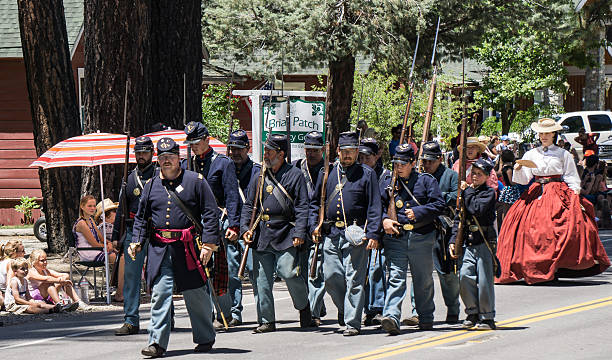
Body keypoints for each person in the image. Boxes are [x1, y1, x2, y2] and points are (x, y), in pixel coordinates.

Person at [129, 138, 220, 357]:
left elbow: (210, 213)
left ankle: (205, 337)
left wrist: (208, 244)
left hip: (188, 249)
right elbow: (142, 218)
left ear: (179, 158)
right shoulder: (150, 186)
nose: (166, 161)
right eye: (162, 158)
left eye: (170, 157)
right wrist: (136, 241)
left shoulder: (196, 181)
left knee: (196, 295)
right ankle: (156, 343)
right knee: (160, 294)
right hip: (160, 250)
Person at [497, 118, 611, 284]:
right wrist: (518, 169)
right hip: (535, 191)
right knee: (527, 229)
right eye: (541, 133)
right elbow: (522, 180)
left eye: (547, 133)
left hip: (557, 191)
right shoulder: (531, 154)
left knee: (557, 229)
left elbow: (571, 176)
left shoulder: (562, 154)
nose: (544, 136)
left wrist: (575, 194)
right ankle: (531, 265)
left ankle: (555, 266)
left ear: (554, 134)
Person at [310, 131, 382, 336]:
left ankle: (352, 322)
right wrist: (313, 226)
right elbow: (315, 203)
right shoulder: (328, 173)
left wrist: (373, 234)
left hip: (356, 233)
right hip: (331, 232)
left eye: (352, 151)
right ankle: (346, 309)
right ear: (338, 151)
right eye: (345, 151)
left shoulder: (367, 174)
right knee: (332, 277)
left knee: (355, 279)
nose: (348, 155)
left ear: (357, 152)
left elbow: (374, 207)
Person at [241, 134, 313, 333]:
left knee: (289, 273)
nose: (266, 154)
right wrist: (245, 229)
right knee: (261, 280)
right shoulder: (259, 175)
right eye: (265, 150)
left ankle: (304, 307)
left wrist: (300, 231)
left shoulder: (295, 175)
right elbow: (249, 205)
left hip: (286, 233)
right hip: (262, 235)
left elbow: (302, 206)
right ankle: (266, 320)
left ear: (281, 154)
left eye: (270, 151)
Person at [378, 144, 445, 335]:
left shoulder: (426, 181)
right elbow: (379, 207)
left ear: (412, 163)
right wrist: (385, 221)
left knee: (423, 280)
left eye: (402, 163)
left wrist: (418, 212)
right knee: (396, 278)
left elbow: (438, 204)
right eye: (396, 163)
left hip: (421, 236)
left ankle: (425, 317)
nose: (398, 167)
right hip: (397, 238)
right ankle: (391, 316)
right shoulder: (387, 182)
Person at [183, 121, 239, 327]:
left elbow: (232, 197)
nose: (193, 147)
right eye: (191, 143)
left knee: (218, 270)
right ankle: (205, 315)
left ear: (207, 140)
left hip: (218, 221)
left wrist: (233, 225)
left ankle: (224, 313)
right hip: (193, 224)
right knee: (198, 270)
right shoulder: (186, 165)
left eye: (197, 142)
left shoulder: (223, 163)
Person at [403, 141, 460, 326]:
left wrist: (435, 199)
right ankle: (417, 311)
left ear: (439, 159)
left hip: (443, 227)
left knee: (446, 272)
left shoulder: (451, 176)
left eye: (430, 161)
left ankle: (453, 308)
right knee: (419, 273)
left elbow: (454, 197)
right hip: (422, 226)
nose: (427, 165)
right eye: (424, 161)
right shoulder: (418, 176)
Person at [113, 136, 158, 336]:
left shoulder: (160, 175)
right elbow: (121, 209)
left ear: (152, 153)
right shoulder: (129, 178)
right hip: (134, 231)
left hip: (157, 231)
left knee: (160, 276)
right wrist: (116, 235)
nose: (141, 156)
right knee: (131, 277)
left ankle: (167, 316)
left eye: (144, 152)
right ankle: (131, 319)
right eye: (138, 152)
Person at [449, 158, 498, 330]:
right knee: (464, 276)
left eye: (479, 174)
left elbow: (476, 209)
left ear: (486, 177)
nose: (475, 176)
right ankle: (472, 311)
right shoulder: (466, 193)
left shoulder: (488, 193)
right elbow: (459, 218)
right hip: (469, 241)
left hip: (484, 240)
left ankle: (487, 316)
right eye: (473, 173)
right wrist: (453, 240)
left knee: (484, 280)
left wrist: (466, 192)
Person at [292, 131, 327, 326]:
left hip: (319, 226)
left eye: (315, 150)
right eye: (308, 149)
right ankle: (316, 306)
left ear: (322, 149)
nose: (311, 153)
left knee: (317, 271)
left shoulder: (329, 169)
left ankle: (313, 313)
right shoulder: (297, 167)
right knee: (302, 272)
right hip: (300, 226)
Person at [226, 129, 260, 326]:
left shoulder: (256, 170)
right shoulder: (225, 168)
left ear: (247, 149)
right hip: (231, 226)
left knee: (255, 271)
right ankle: (234, 313)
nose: (235, 152)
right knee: (232, 270)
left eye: (239, 149)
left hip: (251, 228)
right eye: (232, 148)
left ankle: (262, 313)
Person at [358, 138, 390, 327]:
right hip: (361, 228)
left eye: (367, 157)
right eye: (360, 156)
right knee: (362, 270)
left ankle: (377, 308)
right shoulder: (358, 174)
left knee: (376, 267)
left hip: (379, 228)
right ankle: (366, 309)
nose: (363, 160)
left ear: (377, 156)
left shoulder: (386, 176)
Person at [73, 195, 117, 264]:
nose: (92, 208)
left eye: (94, 206)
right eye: (89, 206)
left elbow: (102, 239)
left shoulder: (91, 220)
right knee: (116, 257)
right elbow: (94, 244)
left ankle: (117, 274)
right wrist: (108, 246)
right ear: (82, 206)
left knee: (121, 255)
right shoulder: (82, 223)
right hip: (88, 252)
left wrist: (109, 243)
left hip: (96, 250)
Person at [95, 198, 122, 302]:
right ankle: (118, 284)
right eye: (114, 212)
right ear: (106, 216)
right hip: (107, 252)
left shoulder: (106, 226)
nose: (116, 214)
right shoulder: (106, 226)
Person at [496, 150, 521, 231]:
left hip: (506, 189)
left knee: (505, 209)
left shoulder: (503, 168)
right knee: (509, 210)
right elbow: (512, 182)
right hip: (511, 190)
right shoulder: (509, 169)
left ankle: (504, 226)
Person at [0, 240, 26, 309]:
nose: (25, 253)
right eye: (23, 251)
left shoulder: (3, 260)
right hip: (5, 295)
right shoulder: (12, 262)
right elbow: (8, 284)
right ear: (15, 253)